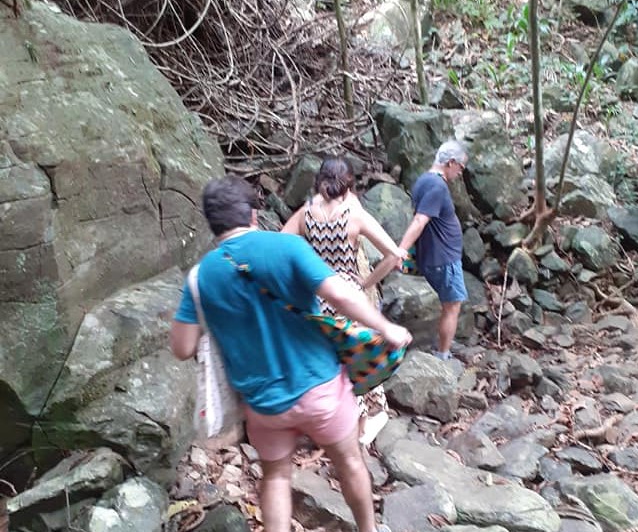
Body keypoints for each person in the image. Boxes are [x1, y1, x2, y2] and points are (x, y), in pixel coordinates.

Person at [170, 175, 411, 532]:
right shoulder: (286, 247)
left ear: (213, 224)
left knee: (277, 477)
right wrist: (386, 328)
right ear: (253, 214)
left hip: (264, 404)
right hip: (320, 388)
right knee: (349, 461)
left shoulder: (199, 277)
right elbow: (341, 295)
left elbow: (183, 347)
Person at [282, 156, 408, 445]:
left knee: (323, 359)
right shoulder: (355, 214)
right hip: (348, 294)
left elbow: (280, 243)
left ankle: (319, 423)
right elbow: (394, 254)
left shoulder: (305, 214)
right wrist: (367, 282)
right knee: (353, 358)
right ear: (349, 184)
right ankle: (359, 426)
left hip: (315, 293)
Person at [399, 139, 469, 361]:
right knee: (452, 306)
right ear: (451, 162)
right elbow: (420, 221)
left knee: (449, 305)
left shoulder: (423, 181)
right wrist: (401, 250)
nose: (460, 172)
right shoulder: (437, 186)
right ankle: (442, 355)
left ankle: (443, 344)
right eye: (461, 167)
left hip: (439, 254)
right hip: (443, 257)